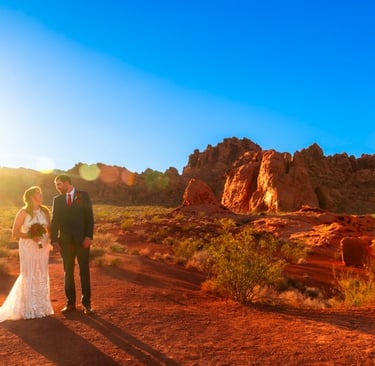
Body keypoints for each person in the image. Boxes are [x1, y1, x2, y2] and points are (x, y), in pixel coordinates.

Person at [0, 186, 54, 322]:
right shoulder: (23, 212)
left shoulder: (45, 211)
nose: (41, 195)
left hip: (43, 246)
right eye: (38, 193)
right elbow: (15, 232)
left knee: (41, 272)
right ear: (31, 197)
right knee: (29, 273)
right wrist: (30, 236)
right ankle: (29, 308)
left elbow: (50, 229)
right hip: (28, 246)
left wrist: (51, 241)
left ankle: (43, 307)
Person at [50, 174, 94, 314]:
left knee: (84, 272)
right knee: (67, 272)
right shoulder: (57, 200)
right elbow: (54, 221)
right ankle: (70, 304)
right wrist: (54, 240)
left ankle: (86, 304)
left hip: (82, 242)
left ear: (67, 183)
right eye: (56, 185)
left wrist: (88, 236)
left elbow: (90, 218)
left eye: (59, 184)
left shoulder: (83, 195)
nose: (57, 187)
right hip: (65, 243)